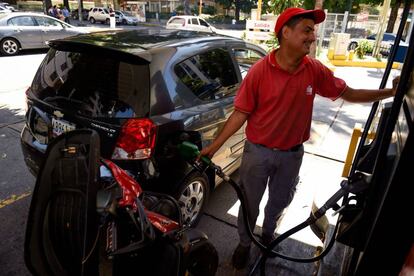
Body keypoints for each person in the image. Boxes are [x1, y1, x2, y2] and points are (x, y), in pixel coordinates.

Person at [199, 7, 400, 270]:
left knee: (279, 202)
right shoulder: (260, 72)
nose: (313, 37)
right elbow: (240, 114)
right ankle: (245, 244)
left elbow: (348, 93)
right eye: (307, 30)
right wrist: (214, 146)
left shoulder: (314, 70)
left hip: (292, 155)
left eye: (313, 31)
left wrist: (389, 92)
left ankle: (268, 237)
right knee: (249, 204)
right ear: (286, 32)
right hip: (257, 153)